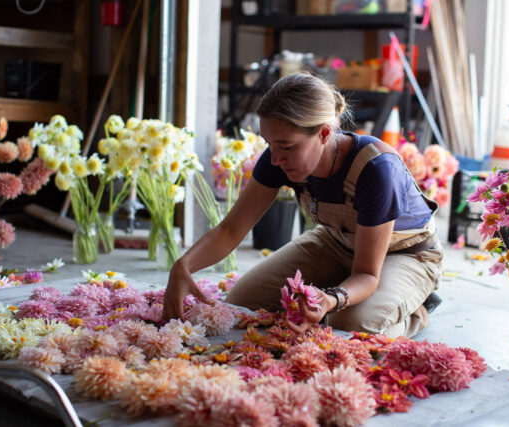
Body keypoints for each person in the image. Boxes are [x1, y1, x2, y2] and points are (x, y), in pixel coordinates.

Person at [163, 72, 443, 338]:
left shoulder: (376, 169)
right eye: (268, 143)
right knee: (244, 301)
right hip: (337, 243)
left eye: (286, 147)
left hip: (404, 255)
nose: (274, 159)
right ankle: (351, 294)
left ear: (323, 134)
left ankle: (416, 307)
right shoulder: (279, 155)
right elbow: (230, 230)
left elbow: (367, 274)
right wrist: (184, 265)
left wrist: (332, 298)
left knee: (353, 327)